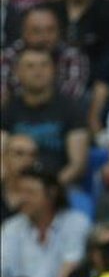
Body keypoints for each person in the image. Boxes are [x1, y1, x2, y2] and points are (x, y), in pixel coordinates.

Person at [0, 47, 88, 186]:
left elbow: (77, 165)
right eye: (30, 66)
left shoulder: (71, 109)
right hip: (15, 185)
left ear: (54, 70)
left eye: (44, 65)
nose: (38, 71)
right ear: (18, 73)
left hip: (59, 188)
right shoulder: (8, 110)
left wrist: (50, 189)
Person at [0, 4, 90, 106]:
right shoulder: (10, 55)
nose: (44, 37)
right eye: (36, 31)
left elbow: (71, 96)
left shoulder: (72, 56)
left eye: (50, 30)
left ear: (59, 31)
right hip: (16, 115)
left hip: (59, 116)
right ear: (24, 33)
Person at [0, 134, 37, 221]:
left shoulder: (44, 196)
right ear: (4, 157)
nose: (27, 160)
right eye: (19, 154)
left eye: (33, 155)